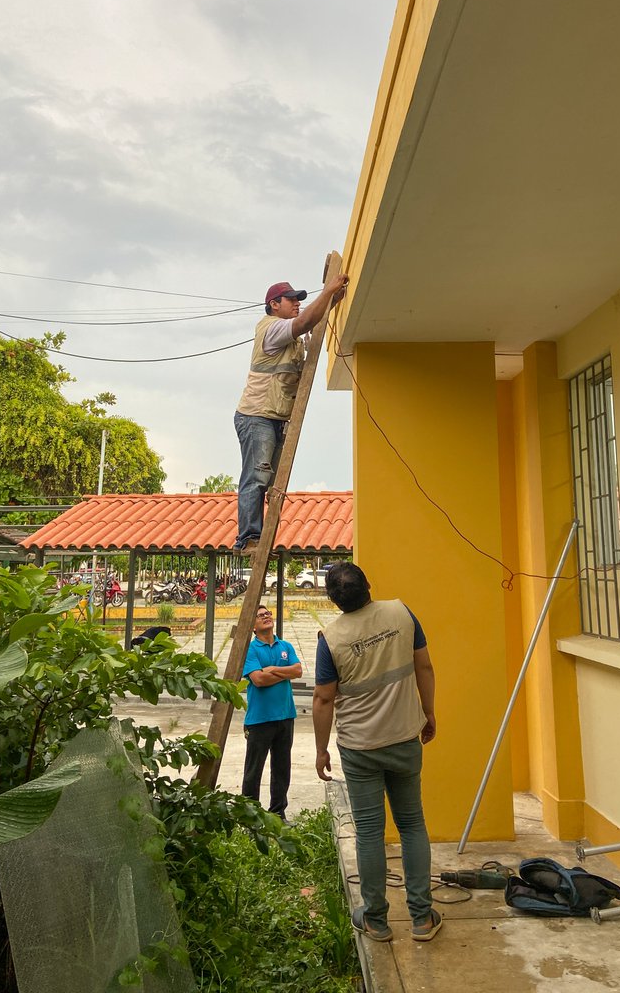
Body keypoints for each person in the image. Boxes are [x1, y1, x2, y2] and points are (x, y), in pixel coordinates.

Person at [313, 562, 441, 944]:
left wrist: (321, 750)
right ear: (369, 585)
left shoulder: (331, 639)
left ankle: (376, 920)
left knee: (369, 833)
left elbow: (322, 699)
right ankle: (421, 918)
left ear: (332, 599)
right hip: (404, 737)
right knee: (412, 825)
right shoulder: (401, 613)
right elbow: (425, 666)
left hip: (359, 748)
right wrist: (428, 712)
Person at [232, 272, 348, 554]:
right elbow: (306, 321)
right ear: (274, 304)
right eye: (291, 299)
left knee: (270, 483)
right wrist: (328, 292)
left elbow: (310, 318)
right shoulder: (272, 328)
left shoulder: (288, 335)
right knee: (256, 477)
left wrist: (330, 301)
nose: (296, 303)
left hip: (274, 416)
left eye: (298, 300)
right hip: (257, 415)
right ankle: (248, 538)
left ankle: (261, 538)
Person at [241, 604, 302, 820]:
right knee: (253, 770)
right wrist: (284, 673)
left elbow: (298, 670)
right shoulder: (250, 649)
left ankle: (278, 813)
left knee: (282, 769)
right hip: (260, 719)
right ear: (253, 625)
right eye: (260, 615)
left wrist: (272, 670)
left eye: (268, 614)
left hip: (286, 716)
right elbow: (258, 680)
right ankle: (250, 816)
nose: (266, 617)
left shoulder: (285, 645)